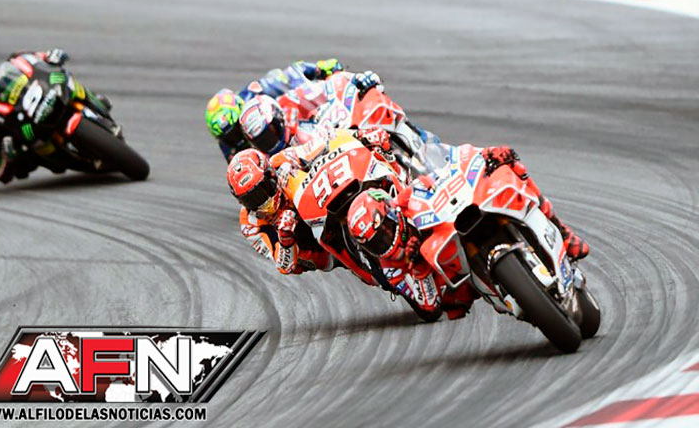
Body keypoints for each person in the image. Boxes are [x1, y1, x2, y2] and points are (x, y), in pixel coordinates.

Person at [346, 143, 589, 320]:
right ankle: (511, 295)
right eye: (375, 243)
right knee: (455, 305)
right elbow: (429, 306)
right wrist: (418, 267)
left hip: (453, 229)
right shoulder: (391, 269)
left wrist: (486, 155)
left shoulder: (404, 201)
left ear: (391, 212)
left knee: (509, 169)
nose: (385, 242)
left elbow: (434, 178)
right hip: (451, 279)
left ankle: (563, 233)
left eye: (385, 231)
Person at [0, 49, 111, 183]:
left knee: (62, 79)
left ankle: (92, 100)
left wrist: (46, 56)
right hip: (23, 147)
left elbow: (16, 61)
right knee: (34, 159)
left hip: (29, 111)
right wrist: (6, 156)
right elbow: (0, 175)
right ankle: (77, 161)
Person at [205, 59, 344, 162]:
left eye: (236, 129)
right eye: (229, 137)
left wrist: (318, 68)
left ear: (241, 107)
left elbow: (292, 73)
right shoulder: (228, 147)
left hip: (302, 121)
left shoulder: (256, 91)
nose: (237, 138)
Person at [227, 148, 336, 275]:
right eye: (251, 200)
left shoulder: (282, 160)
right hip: (309, 244)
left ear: (270, 174)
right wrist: (285, 238)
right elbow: (283, 266)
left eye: (263, 189)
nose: (262, 202)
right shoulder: (249, 225)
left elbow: (321, 146)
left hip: (321, 198)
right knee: (301, 263)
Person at [238, 71, 384, 156]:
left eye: (271, 133)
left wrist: (354, 80)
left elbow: (329, 86)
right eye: (262, 141)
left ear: (278, 117)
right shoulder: (268, 163)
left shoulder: (289, 102)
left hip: (337, 138)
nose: (271, 142)